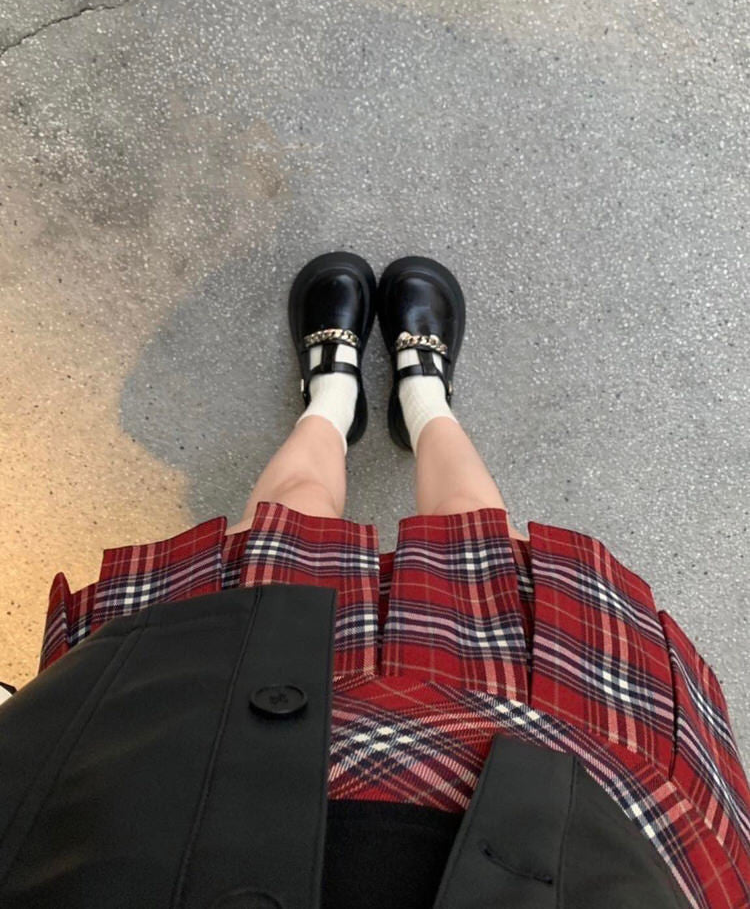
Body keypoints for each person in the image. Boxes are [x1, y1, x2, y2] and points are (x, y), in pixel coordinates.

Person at [0, 252, 748, 908]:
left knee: (284, 527)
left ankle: (332, 398)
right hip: (567, 826)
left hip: (166, 816)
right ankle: (424, 398)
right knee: (479, 549)